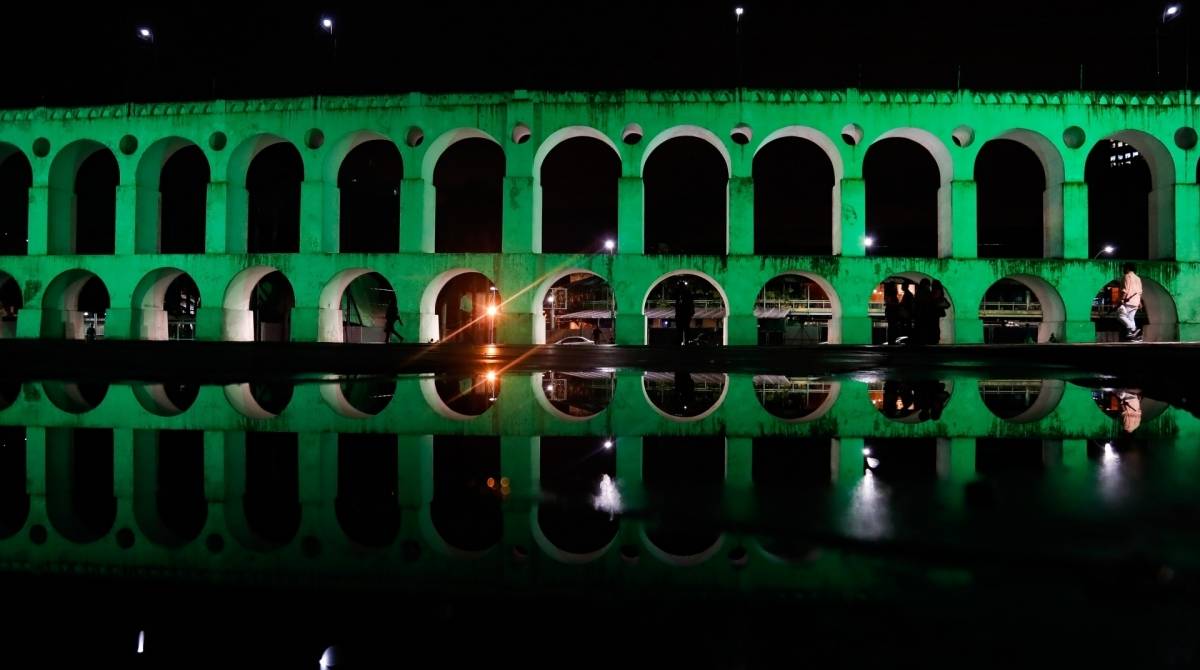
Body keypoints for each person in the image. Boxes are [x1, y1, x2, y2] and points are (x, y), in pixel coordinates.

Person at [1117, 263, 1143, 342]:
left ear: (1127, 268)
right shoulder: (1138, 278)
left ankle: (1133, 329)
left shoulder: (1127, 276)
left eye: (1124, 268)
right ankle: (1132, 335)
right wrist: (1140, 302)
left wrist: (1121, 299)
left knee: (1120, 316)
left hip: (1127, 301)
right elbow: (1140, 291)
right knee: (1131, 318)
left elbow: (1125, 289)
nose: (1123, 270)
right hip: (1136, 301)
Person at [673, 281, 695, 346]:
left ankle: (683, 342)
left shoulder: (683, 293)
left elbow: (691, 303)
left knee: (682, 329)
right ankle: (685, 342)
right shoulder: (684, 293)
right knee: (685, 328)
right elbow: (691, 303)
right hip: (684, 314)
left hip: (683, 314)